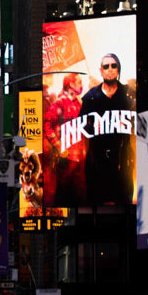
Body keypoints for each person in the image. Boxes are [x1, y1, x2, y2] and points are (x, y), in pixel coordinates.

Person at [79, 53, 136, 206]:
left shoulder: (129, 95)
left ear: (118, 69)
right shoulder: (90, 97)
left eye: (113, 66)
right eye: (106, 66)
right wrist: (92, 128)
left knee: (125, 206)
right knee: (96, 205)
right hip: (97, 162)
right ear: (101, 70)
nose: (110, 69)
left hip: (122, 160)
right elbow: (81, 125)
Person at [43, 71, 85, 204]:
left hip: (78, 157)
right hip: (65, 158)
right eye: (79, 82)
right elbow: (47, 125)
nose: (81, 85)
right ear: (70, 84)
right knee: (64, 195)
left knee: (77, 195)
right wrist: (59, 145)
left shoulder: (78, 103)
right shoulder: (60, 103)